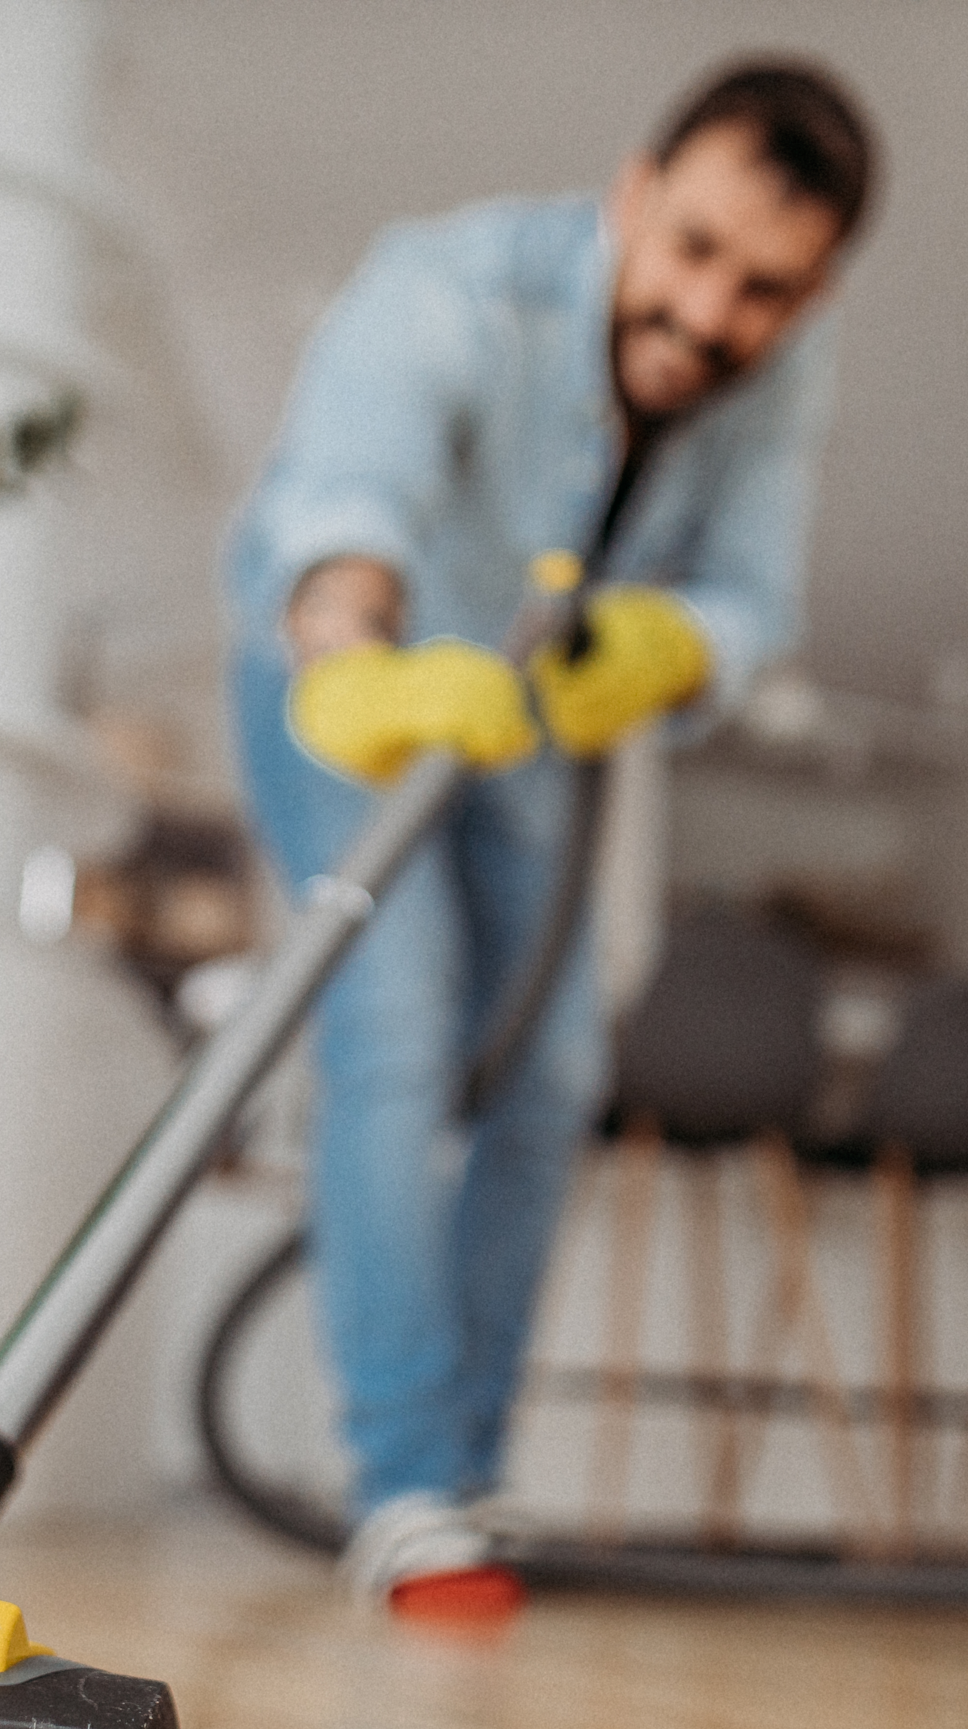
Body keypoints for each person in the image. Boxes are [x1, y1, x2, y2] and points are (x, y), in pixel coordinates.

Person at [222, 58, 878, 1608]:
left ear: (817, 288)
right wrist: (352, 654)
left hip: (529, 710)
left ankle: (462, 1470)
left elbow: (750, 601)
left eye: (767, 290)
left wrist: (674, 648)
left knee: (554, 1065)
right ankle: (400, 1481)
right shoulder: (449, 285)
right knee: (392, 1023)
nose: (715, 315)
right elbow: (350, 504)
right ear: (633, 196)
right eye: (697, 252)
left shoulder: (782, 374)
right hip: (353, 680)